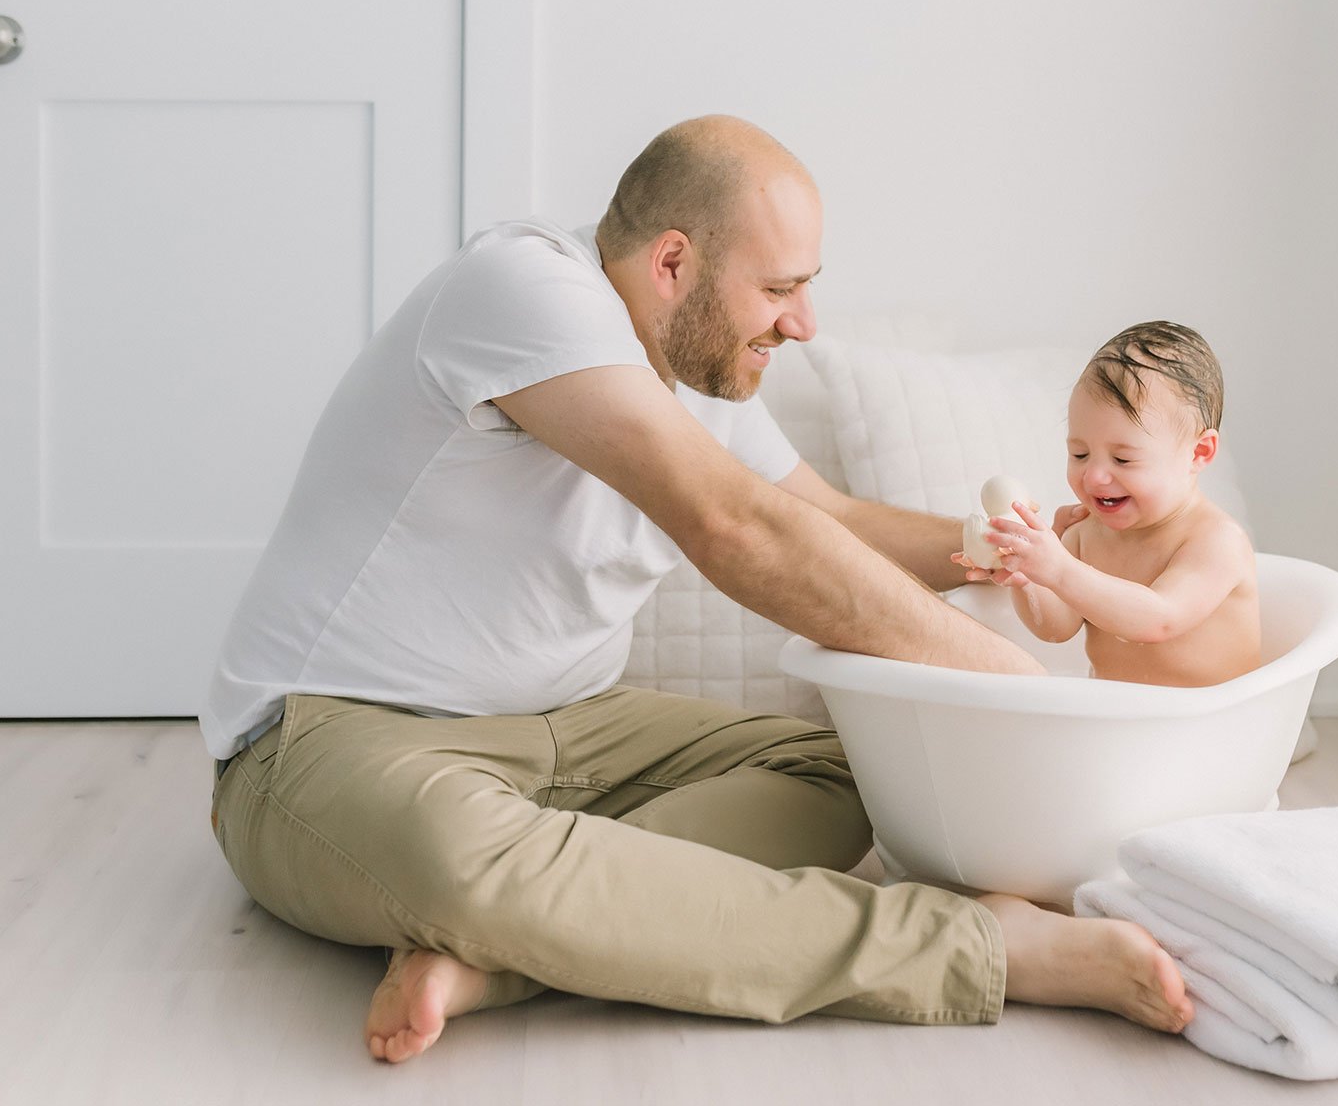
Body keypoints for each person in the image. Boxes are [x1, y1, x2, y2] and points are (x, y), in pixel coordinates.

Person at [198, 116, 1191, 1064]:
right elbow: (739, 527)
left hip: (571, 726)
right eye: (779, 288)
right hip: (328, 736)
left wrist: (1013, 548)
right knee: (468, 862)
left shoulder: (699, 364)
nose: (802, 322)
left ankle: (499, 959)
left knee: (853, 778)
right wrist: (1027, 687)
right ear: (671, 263)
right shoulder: (521, 288)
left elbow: (831, 522)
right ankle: (983, 949)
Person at [953, 322, 1261, 687]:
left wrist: (1060, 569)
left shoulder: (1215, 540)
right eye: (1080, 453)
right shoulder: (1087, 533)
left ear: (1198, 453)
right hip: (1118, 723)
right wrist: (1028, 577)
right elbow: (1056, 628)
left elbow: (1159, 619)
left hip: (1211, 726)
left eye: (1123, 459)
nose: (1094, 476)